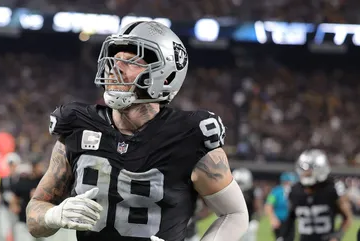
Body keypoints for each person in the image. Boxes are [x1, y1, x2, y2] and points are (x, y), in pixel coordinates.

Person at [25, 21, 249, 241]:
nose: (115, 69)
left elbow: (234, 214)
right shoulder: (78, 126)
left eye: (132, 62)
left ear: (167, 75)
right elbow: (35, 215)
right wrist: (53, 215)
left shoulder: (190, 136)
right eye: (114, 60)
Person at [278, 149, 353, 241]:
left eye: (310, 169)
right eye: (304, 169)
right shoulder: (295, 191)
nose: (306, 173)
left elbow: (347, 219)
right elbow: (290, 219)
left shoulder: (332, 189)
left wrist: (336, 236)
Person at [265, 172, 297, 241]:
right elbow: (268, 205)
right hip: (279, 221)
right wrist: (273, 218)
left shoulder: (294, 191)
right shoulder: (276, 191)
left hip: (290, 222)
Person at [232, 168, 261, 241]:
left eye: (240, 183)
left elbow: (258, 207)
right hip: (234, 222)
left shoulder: (253, 191)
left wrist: (256, 220)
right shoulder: (231, 192)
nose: (239, 185)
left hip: (249, 222)